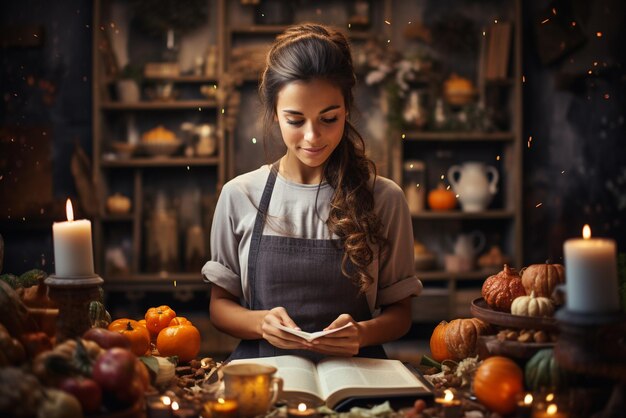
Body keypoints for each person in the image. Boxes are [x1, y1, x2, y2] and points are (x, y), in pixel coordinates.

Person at [202, 23, 422, 361]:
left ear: (346, 109)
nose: (312, 137)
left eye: (329, 118)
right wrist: (261, 323)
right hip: (262, 380)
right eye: (295, 120)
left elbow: (400, 314)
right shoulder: (239, 195)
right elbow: (220, 308)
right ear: (274, 114)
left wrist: (361, 333)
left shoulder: (385, 198)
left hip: (357, 380)